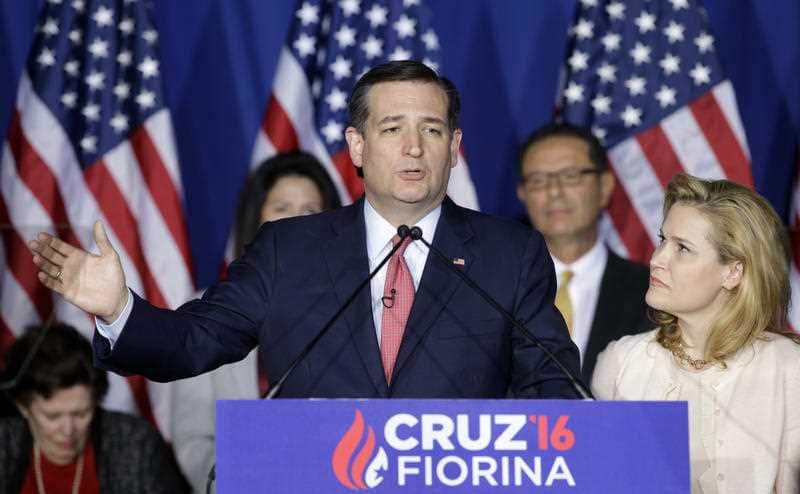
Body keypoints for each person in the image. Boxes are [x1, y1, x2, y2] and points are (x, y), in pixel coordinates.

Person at [29, 60, 580, 399]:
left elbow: (553, 385)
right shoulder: (288, 250)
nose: (413, 147)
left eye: (431, 130)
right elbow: (191, 345)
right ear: (358, 147)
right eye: (393, 129)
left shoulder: (511, 254)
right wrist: (117, 309)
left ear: (454, 148)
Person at [592, 174, 800, 494]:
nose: (657, 258)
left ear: (733, 273)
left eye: (682, 248)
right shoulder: (622, 360)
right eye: (662, 240)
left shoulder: (789, 368)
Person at [171, 150, 341, 494]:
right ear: (257, 219)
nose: (296, 220)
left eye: (311, 210)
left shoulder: (365, 308)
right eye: (281, 207)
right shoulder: (207, 312)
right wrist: (233, 487)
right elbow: (192, 437)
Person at [0, 323, 196, 494]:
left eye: (81, 413)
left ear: (96, 401)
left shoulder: (134, 444)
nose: (68, 430)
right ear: (23, 407)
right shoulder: (4, 446)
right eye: (53, 416)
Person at [517, 122, 651, 384]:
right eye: (538, 180)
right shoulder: (492, 289)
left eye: (570, 176)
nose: (554, 192)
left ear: (605, 186)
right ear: (522, 194)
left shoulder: (653, 293)